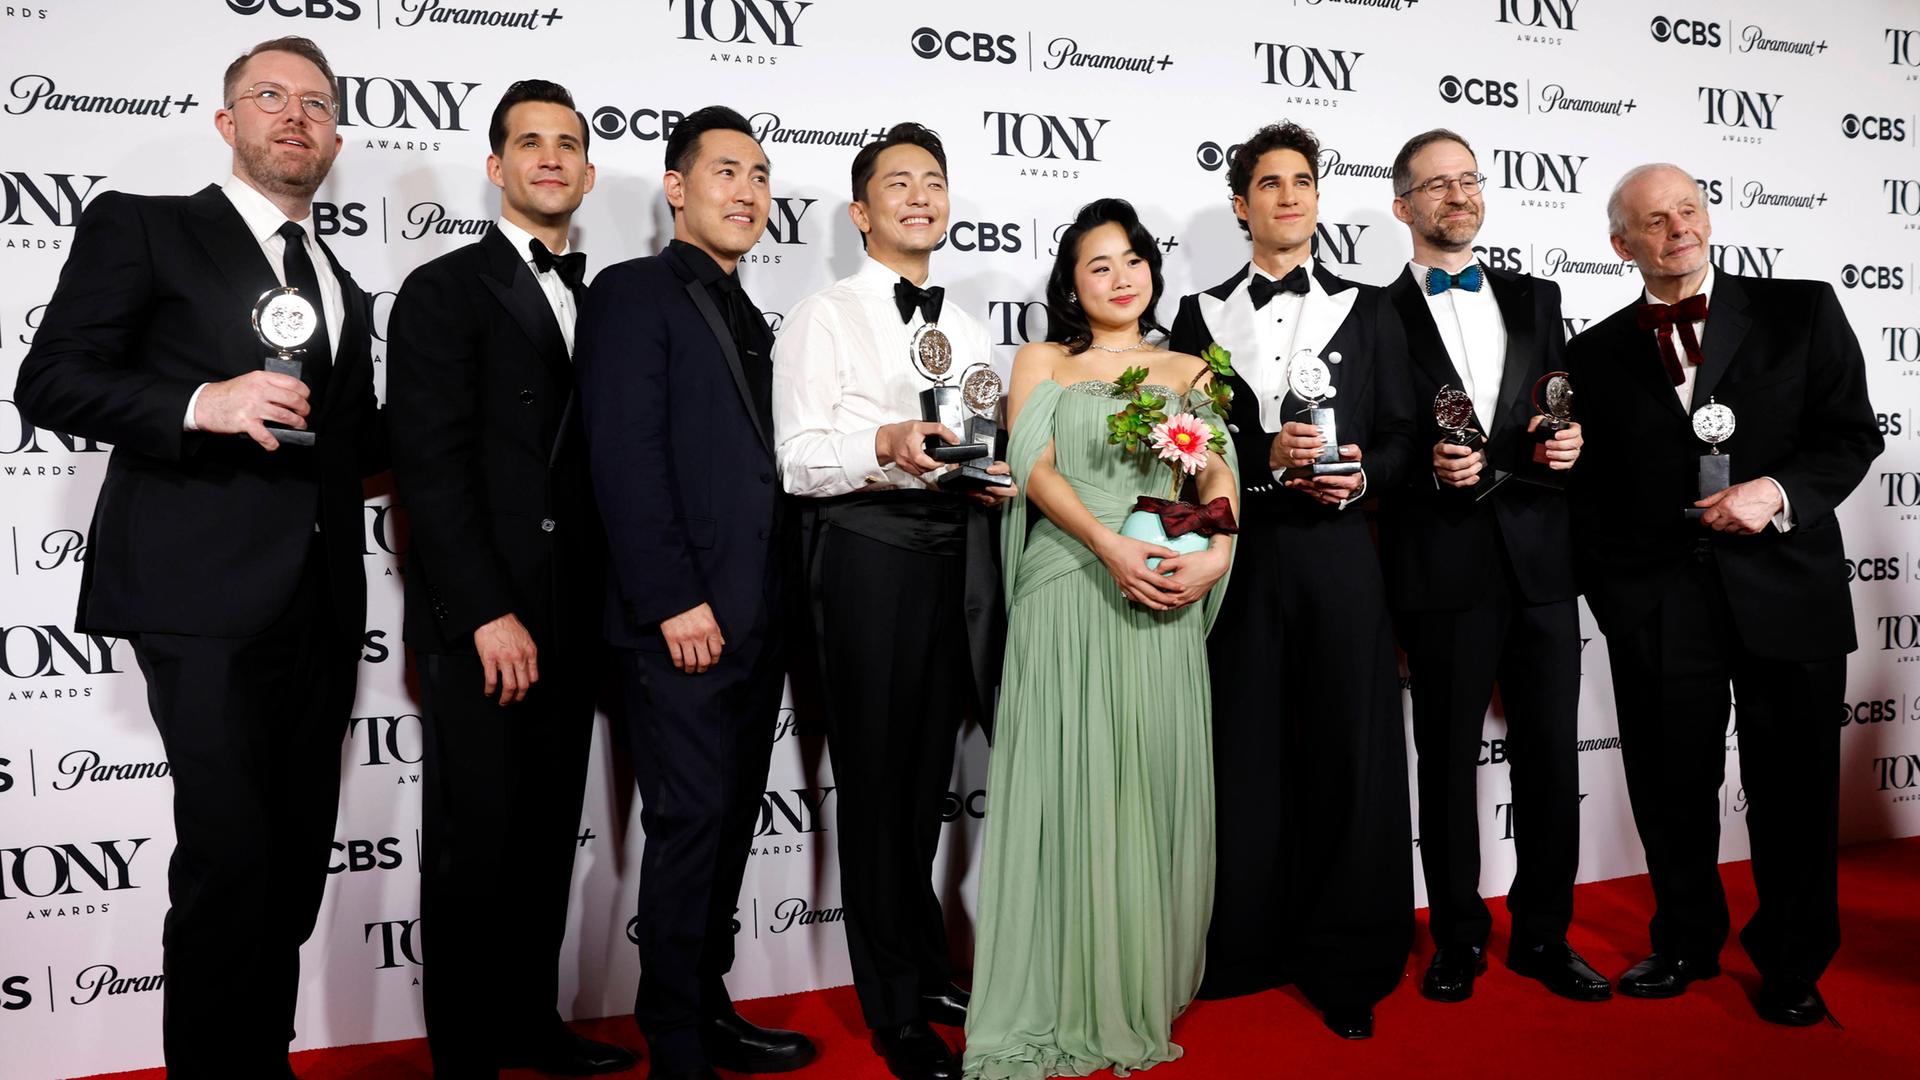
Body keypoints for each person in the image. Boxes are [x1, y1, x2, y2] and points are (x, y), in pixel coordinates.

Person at [12, 36, 386, 1077]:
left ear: (338, 138)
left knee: (292, 866)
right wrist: (197, 403)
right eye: (269, 97)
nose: (294, 116)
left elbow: (346, 448)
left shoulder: (340, 280)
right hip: (202, 598)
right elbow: (49, 381)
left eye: (315, 103)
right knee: (231, 861)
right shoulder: (148, 227)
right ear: (228, 124)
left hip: (321, 605)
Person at [1568, 163, 1881, 1025]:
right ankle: (1684, 942)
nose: (1679, 228)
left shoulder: (1802, 308)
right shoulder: (1591, 354)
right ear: (1621, 244)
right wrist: (1618, 599)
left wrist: (1774, 494)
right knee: (1671, 789)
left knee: (1794, 788)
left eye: (1690, 210)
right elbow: (1587, 494)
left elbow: (1851, 436)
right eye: (1655, 220)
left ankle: (1791, 963)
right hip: (1662, 605)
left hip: (1787, 591)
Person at [386, 79, 634, 1077]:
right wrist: (485, 611)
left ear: (584, 168)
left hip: (576, 617)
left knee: (542, 842)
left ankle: (533, 1023)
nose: (550, 158)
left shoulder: (610, 297)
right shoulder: (444, 290)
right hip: (489, 621)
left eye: (567, 144)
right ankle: (467, 1057)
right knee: (473, 847)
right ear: (496, 167)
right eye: (529, 143)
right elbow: (430, 468)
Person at [962, 198, 1237, 1080]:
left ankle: (1131, 975)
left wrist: (1220, 550)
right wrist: (1108, 543)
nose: (1121, 278)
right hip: (1071, 577)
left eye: (1132, 260)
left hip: (1165, 582)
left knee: (1146, 779)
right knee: (1063, 777)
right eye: (1098, 266)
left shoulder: (1191, 367)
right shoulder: (1044, 358)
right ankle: (1051, 986)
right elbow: (1034, 470)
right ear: (1072, 286)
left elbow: (1217, 469)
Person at [574, 105, 814, 1080]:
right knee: (684, 832)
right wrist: (674, 599)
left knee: (720, 828)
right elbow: (625, 458)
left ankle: (706, 1008)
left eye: (760, 176)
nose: (747, 191)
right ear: (677, 188)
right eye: (726, 172)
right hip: (683, 623)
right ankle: (674, 1042)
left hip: (755, 622)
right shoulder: (636, 293)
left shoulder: (749, 313)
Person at [772, 121, 1012, 1080]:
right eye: (898, 184)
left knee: (924, 786)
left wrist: (990, 473)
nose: (920, 197)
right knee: (875, 788)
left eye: (934, 182)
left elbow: (979, 437)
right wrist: (884, 444)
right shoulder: (820, 315)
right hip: (868, 552)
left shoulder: (979, 325)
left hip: (957, 558)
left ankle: (921, 968)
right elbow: (795, 462)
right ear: (861, 211)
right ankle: (894, 1013)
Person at [1169, 120, 1416, 1040]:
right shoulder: (1194, 319)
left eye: (1302, 181)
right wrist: (1260, 459)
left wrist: (1362, 470)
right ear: (1241, 204)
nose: (1288, 196)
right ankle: (1243, 945)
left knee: (1349, 753)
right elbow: (1179, 460)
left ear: (1317, 197)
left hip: (1342, 556)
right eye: (1268, 183)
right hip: (1240, 554)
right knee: (1244, 749)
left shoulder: (1374, 308)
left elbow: (1401, 444)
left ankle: (1348, 959)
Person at [1376, 129, 1609, 1005]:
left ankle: (1546, 934)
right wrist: (1428, 470)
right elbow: (1380, 443)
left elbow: (1559, 403)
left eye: (1469, 179)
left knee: (1552, 755)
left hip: (1544, 562)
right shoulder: (1374, 314)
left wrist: (1574, 438)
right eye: (1437, 185)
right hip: (1442, 566)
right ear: (1405, 207)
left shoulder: (1538, 295)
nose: (1458, 195)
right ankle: (1458, 935)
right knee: (1444, 760)